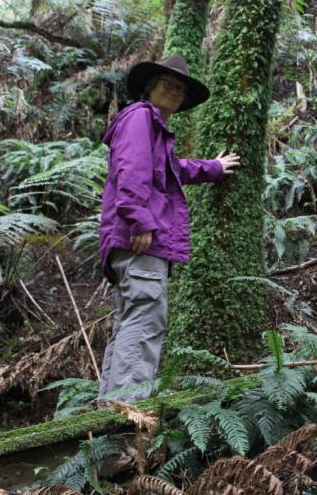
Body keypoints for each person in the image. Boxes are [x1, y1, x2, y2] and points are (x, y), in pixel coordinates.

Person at [97, 55, 240, 403]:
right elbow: (131, 169)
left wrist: (214, 167)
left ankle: (108, 410)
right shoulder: (140, 117)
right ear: (150, 88)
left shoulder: (151, 128)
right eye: (168, 84)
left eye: (180, 88)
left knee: (130, 321)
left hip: (127, 243)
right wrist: (140, 220)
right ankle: (128, 411)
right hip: (139, 241)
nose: (175, 91)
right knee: (145, 320)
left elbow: (174, 169)